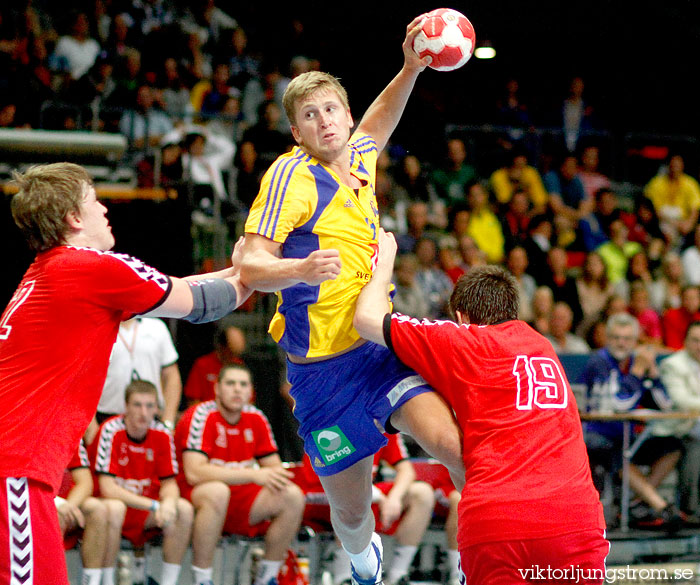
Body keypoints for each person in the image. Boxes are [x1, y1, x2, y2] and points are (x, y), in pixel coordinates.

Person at [238, 18, 464, 585]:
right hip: (321, 372)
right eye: (310, 116)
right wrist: (297, 267)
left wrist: (412, 67)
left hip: (378, 346)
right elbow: (248, 264)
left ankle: (486, 563)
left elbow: (378, 123)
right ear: (296, 132)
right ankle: (365, 567)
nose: (325, 122)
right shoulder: (289, 177)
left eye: (332, 109)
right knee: (352, 509)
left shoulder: (359, 158)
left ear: (344, 112)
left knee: (450, 444)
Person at [0, 162, 250, 584]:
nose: (105, 209)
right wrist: (270, 271)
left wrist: (242, 269)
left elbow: (186, 286)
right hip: (17, 474)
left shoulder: (49, 273)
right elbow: (203, 304)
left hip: (20, 473)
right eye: (95, 200)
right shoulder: (89, 268)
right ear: (74, 218)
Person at [353, 230, 608, 585]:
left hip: (499, 518)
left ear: (461, 315)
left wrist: (384, 260)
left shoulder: (465, 340)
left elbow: (366, 319)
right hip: (575, 519)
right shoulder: (542, 345)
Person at [175, 363, 304, 585]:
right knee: (218, 491)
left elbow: (274, 470)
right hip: (197, 496)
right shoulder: (200, 415)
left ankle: (267, 576)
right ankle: (202, 579)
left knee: (292, 495)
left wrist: (268, 475)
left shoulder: (256, 417)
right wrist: (252, 475)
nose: (237, 390)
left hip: (241, 500)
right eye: (230, 384)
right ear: (217, 389)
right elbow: (194, 472)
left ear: (251, 391)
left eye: (243, 384)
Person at [579, 313, 685, 530]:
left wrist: (653, 373)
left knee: (672, 447)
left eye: (627, 339)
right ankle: (660, 505)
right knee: (617, 451)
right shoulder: (599, 361)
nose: (621, 343)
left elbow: (665, 404)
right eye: (616, 337)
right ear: (607, 338)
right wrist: (637, 373)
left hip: (627, 434)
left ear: (635, 342)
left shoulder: (634, 361)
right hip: (597, 435)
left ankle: (634, 505)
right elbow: (619, 405)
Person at [92, 381, 194, 585]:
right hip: (112, 506)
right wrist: (155, 505)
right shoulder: (110, 430)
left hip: (145, 510)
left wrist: (168, 503)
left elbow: (170, 484)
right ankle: (107, 581)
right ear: (126, 407)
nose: (143, 412)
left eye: (150, 406)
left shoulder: (163, 434)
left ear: (157, 409)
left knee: (183, 509)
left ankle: (168, 582)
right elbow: (108, 488)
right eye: (137, 405)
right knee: (115, 508)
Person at [56, 440, 125, 585]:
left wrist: (68, 506)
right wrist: (57, 504)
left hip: (66, 506)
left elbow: (86, 483)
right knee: (55, 516)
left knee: (97, 509)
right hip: (37, 502)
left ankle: (92, 581)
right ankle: (55, 579)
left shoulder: (68, 437)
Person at [95, 316, 182, 426]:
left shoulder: (157, 327)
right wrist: (92, 431)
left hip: (151, 417)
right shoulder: (96, 329)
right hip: (107, 416)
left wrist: (168, 421)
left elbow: (171, 376)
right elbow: (81, 383)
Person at [658, 321, 700, 517]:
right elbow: (682, 401)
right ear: (685, 341)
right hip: (677, 429)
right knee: (696, 441)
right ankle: (689, 509)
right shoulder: (673, 364)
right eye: (695, 340)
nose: (699, 345)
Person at [184, 323, 247, 406]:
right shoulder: (203, 365)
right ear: (221, 347)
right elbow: (193, 400)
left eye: (236, 355)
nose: (233, 358)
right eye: (231, 353)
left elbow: (248, 400)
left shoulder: (239, 365)